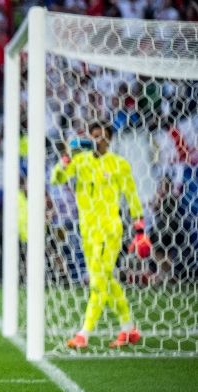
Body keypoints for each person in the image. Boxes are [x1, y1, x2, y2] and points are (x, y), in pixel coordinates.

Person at [51, 123, 149, 349]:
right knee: (106, 280)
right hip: (87, 232)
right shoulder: (81, 161)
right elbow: (57, 179)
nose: (96, 140)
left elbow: (132, 197)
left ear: (109, 139)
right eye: (92, 136)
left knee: (97, 281)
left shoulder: (119, 164)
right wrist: (66, 158)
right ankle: (129, 329)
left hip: (109, 230)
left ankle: (83, 333)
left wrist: (140, 230)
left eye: (100, 136)